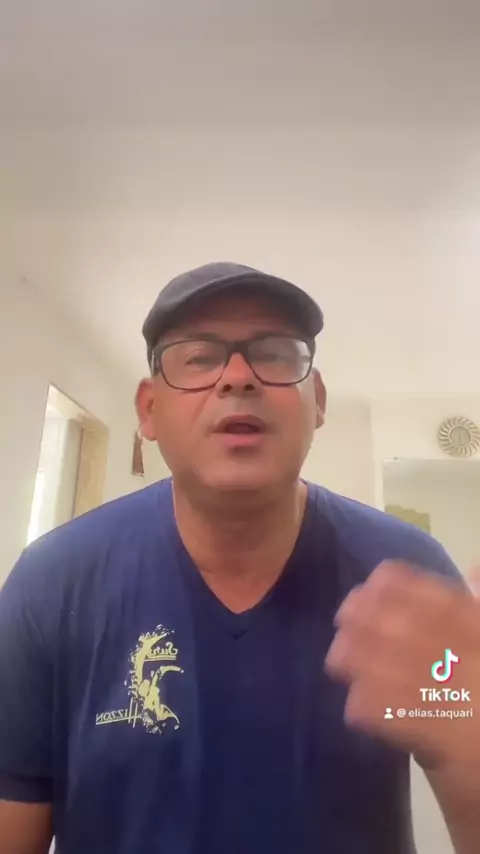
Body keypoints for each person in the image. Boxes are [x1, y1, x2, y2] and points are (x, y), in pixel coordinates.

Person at [0, 261, 479, 854]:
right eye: (199, 357)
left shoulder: (407, 572)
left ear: (317, 400)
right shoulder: (52, 583)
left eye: (274, 354)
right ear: (149, 410)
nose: (237, 377)